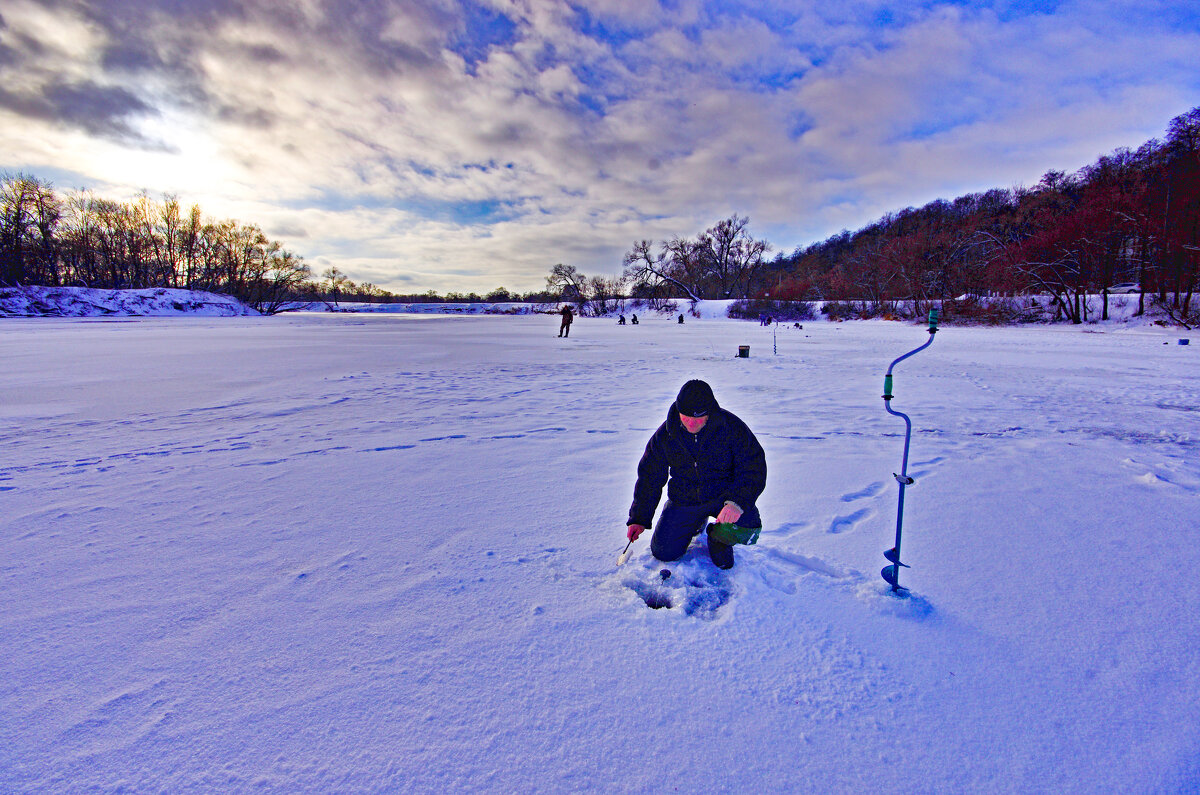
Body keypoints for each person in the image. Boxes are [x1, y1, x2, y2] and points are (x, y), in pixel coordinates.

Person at [626, 380, 766, 570]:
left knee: (748, 527)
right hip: (685, 499)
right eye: (686, 416)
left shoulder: (731, 428)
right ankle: (695, 522)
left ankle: (718, 538)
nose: (691, 423)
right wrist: (639, 518)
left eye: (699, 417)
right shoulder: (666, 435)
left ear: (709, 411)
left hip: (724, 498)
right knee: (663, 552)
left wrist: (737, 503)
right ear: (678, 410)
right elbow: (650, 476)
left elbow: (753, 466)